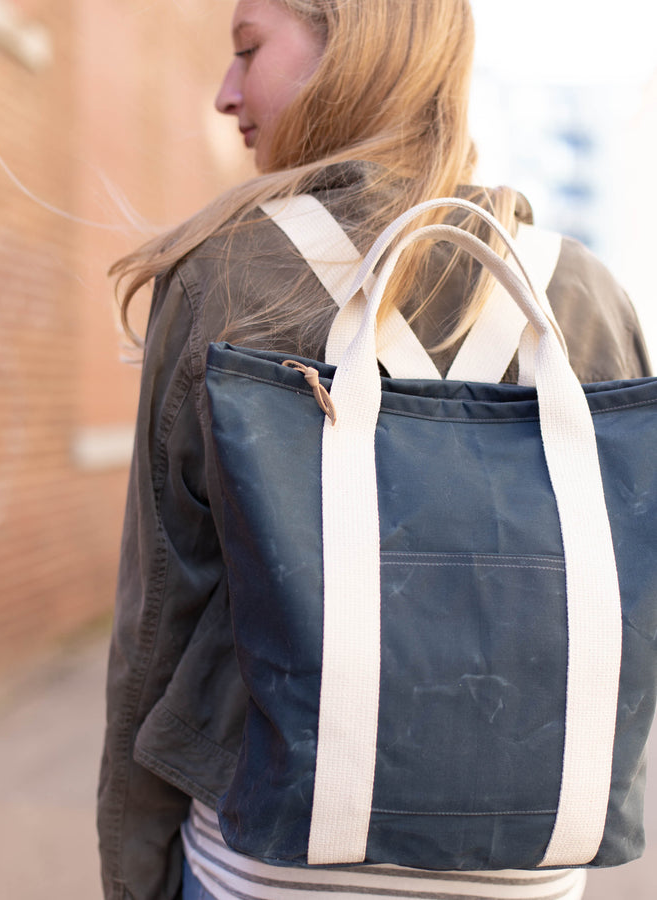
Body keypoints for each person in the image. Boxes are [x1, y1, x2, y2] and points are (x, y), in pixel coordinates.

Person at [97, 2, 651, 899]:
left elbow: (157, 626)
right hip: (536, 866)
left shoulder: (223, 276)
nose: (226, 94)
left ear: (355, 49)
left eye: (247, 50)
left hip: (264, 867)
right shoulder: (583, 296)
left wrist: (133, 872)